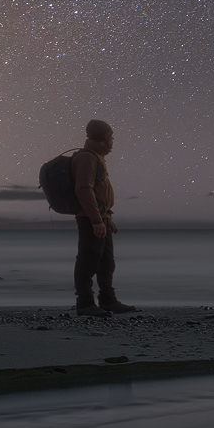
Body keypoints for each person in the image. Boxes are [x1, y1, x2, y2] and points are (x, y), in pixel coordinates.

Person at [71, 118, 137, 315]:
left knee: (106, 262)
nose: (112, 142)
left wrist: (107, 218)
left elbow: (99, 191)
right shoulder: (87, 158)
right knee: (88, 259)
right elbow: (83, 189)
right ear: (102, 140)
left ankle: (108, 300)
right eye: (110, 138)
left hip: (102, 218)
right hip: (91, 218)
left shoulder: (97, 157)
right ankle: (85, 304)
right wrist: (96, 220)